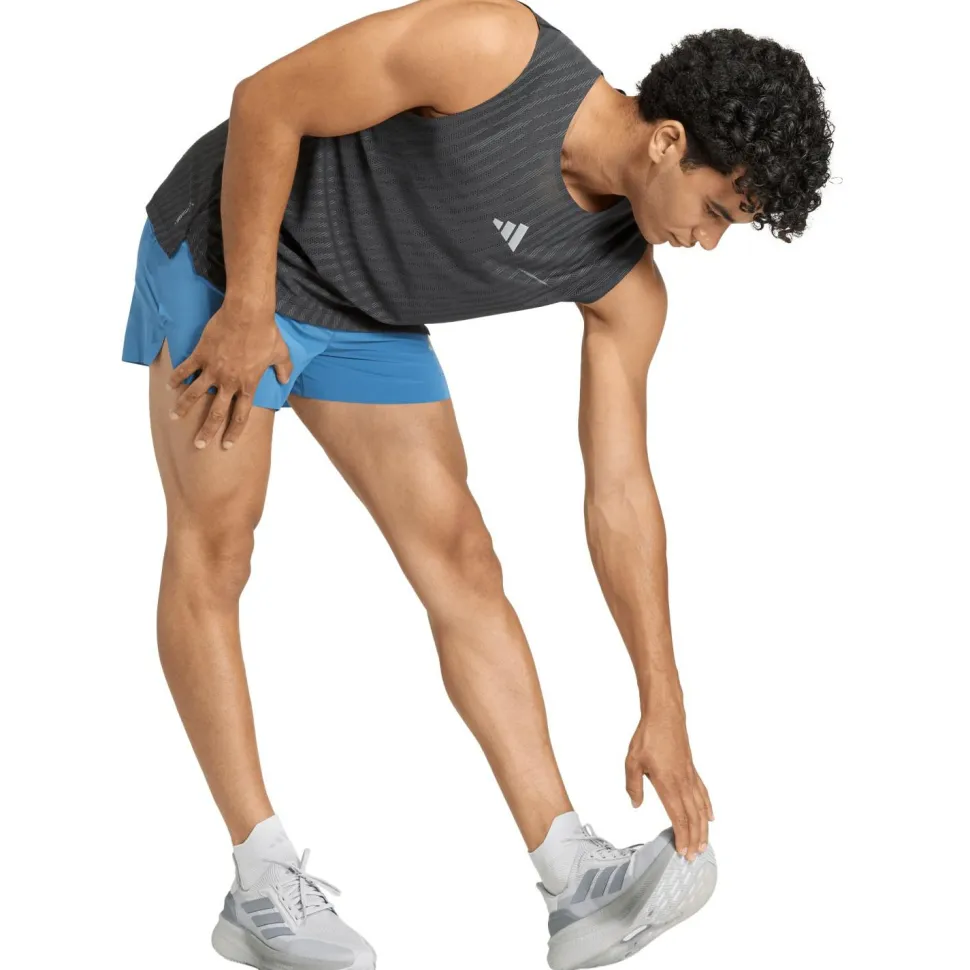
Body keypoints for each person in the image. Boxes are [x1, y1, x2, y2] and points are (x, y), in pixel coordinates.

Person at [121, 1, 833, 967]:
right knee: (221, 542)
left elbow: (621, 494)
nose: (707, 241)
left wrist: (661, 701)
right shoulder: (494, 51)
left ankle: (574, 879)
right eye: (716, 211)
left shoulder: (625, 290)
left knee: (463, 558)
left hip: (360, 307)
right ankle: (259, 879)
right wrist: (248, 306)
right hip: (232, 248)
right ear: (669, 142)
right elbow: (267, 101)